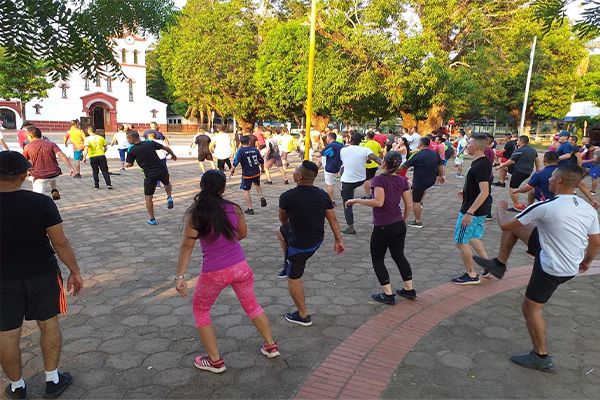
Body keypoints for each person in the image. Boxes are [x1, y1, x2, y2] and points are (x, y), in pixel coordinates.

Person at [473, 164, 600, 371]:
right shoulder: (587, 208)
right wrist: (586, 262)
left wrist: (501, 208)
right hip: (567, 259)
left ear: (559, 181)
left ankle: (541, 357)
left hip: (552, 268)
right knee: (517, 229)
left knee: (530, 309)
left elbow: (504, 224)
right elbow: (595, 243)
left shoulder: (546, 206)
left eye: (552, 177)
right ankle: (498, 265)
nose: (548, 179)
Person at [175, 170, 279, 374]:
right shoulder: (234, 208)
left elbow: (187, 245)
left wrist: (180, 277)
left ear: (201, 186)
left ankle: (215, 361)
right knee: (252, 306)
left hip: (214, 272)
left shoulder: (195, 213)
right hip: (241, 267)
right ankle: (271, 346)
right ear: (223, 189)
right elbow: (242, 234)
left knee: (201, 311)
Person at [0, 151, 84, 400]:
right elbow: (61, 242)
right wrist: (75, 271)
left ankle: (17, 387)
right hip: (42, 274)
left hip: (2, 279)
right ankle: (52, 380)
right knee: (48, 323)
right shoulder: (41, 202)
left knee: (6, 332)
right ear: (24, 176)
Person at [277, 161, 345, 325]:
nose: (293, 172)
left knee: (293, 279)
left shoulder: (287, 196)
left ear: (299, 177)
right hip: (317, 240)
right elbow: (333, 219)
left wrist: (287, 221)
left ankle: (303, 316)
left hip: (301, 246)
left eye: (295, 170)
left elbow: (282, 218)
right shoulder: (323, 195)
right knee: (279, 232)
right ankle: (287, 261)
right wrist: (338, 240)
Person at [345, 152, 415, 304]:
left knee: (377, 259)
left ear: (384, 163)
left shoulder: (379, 179)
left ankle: (388, 294)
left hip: (383, 225)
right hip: (398, 224)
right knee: (399, 256)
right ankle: (409, 289)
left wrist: (356, 200)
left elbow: (378, 202)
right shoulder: (402, 180)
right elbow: (409, 205)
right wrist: (403, 220)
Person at [450, 135, 492, 285]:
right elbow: (477, 185)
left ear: (476, 146)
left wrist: (469, 212)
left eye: (468, 143)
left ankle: (471, 274)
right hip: (478, 208)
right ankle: (489, 266)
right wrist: (466, 191)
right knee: (473, 237)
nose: (466, 145)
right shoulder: (480, 162)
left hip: (473, 210)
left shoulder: (481, 165)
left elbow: (485, 191)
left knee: (461, 241)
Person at [125, 131, 177, 225]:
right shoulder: (149, 142)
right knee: (167, 183)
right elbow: (166, 148)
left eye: (128, 138)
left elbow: (130, 163)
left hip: (149, 174)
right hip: (161, 169)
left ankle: (152, 219)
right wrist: (173, 155)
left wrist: (128, 165)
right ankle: (169, 197)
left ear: (132, 139)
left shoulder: (131, 149)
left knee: (148, 197)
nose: (127, 140)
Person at [339, 133, 382, 235]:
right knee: (343, 170)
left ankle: (350, 228)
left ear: (350, 139)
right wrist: (388, 165)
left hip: (348, 182)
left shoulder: (343, 150)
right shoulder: (365, 150)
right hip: (361, 179)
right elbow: (376, 159)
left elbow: (347, 159)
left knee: (347, 204)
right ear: (361, 141)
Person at [397, 137, 445, 228]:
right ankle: (421, 201)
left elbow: (404, 166)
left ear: (420, 144)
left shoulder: (417, 155)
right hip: (431, 180)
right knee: (423, 190)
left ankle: (418, 221)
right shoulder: (435, 153)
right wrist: (442, 175)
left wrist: (394, 172)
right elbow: (440, 166)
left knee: (416, 202)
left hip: (420, 181)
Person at [23, 127, 76, 200]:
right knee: (52, 166)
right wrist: (71, 168)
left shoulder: (27, 147)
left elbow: (24, 161)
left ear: (31, 136)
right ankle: (54, 189)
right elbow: (62, 155)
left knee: (37, 197)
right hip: (54, 173)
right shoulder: (51, 144)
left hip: (39, 175)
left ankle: (42, 204)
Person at [495, 135, 540, 212]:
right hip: (527, 170)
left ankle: (516, 206)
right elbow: (537, 160)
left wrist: (498, 166)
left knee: (512, 188)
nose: (516, 142)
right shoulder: (532, 149)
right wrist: (538, 171)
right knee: (503, 167)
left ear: (521, 142)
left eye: (518, 140)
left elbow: (510, 162)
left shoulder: (519, 151)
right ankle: (501, 182)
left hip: (520, 171)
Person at [230, 135, 267, 215]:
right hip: (256, 172)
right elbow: (261, 160)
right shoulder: (255, 150)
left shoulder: (240, 151)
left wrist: (232, 170)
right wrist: (262, 168)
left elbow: (236, 161)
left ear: (240, 143)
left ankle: (250, 208)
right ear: (249, 142)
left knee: (246, 190)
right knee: (257, 184)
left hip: (247, 174)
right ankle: (262, 197)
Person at [313, 132, 343, 206]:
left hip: (330, 167)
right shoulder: (341, 145)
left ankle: (332, 201)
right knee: (320, 160)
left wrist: (312, 154)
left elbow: (319, 154)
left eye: (327, 138)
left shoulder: (330, 146)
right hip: (339, 165)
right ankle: (313, 171)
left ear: (329, 138)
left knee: (329, 184)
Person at [361, 131, 382, 199]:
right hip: (375, 164)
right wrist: (380, 159)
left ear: (367, 136)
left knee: (366, 180)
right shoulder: (377, 144)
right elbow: (381, 153)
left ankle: (368, 195)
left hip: (368, 165)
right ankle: (372, 193)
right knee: (372, 179)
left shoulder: (365, 145)